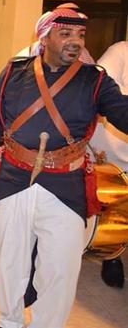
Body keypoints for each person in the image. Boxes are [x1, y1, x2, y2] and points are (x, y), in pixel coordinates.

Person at [0, 4, 128, 328]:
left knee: (60, 267)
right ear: (45, 37)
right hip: (14, 178)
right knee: (9, 260)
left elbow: (122, 112)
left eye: (80, 34)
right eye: (65, 34)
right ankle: (8, 321)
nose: (75, 41)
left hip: (66, 184)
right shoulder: (14, 73)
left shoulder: (94, 80)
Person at [89, 39, 128, 288]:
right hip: (110, 150)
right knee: (112, 210)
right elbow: (99, 86)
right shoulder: (120, 51)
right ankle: (111, 256)